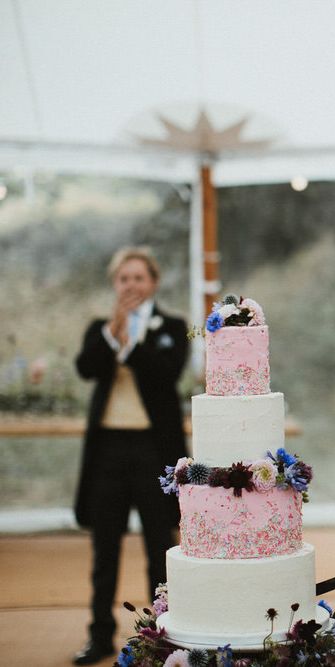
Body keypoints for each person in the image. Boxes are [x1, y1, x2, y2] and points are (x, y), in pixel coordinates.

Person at [73, 247, 188, 665]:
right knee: (105, 549)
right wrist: (113, 334)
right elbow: (87, 368)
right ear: (114, 283)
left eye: (139, 278)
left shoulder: (171, 327)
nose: (131, 285)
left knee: (159, 545)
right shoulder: (98, 328)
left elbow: (168, 373)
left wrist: (132, 343)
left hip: (153, 451)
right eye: (124, 279)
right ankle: (99, 635)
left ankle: (161, 635)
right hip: (107, 450)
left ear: (153, 282)